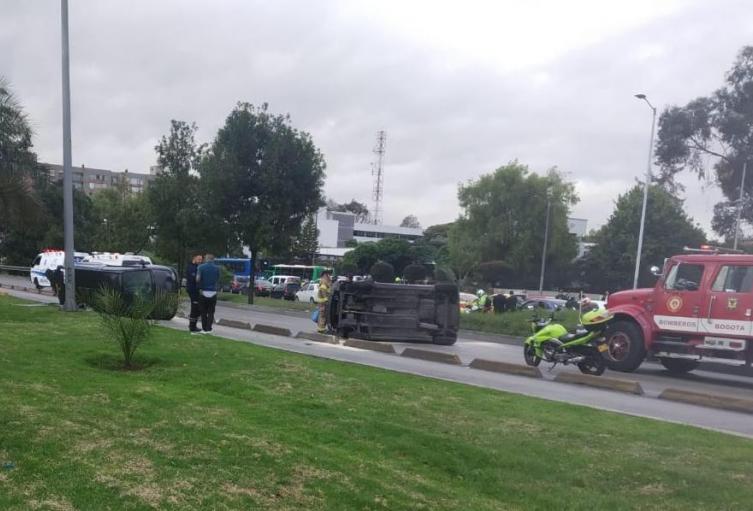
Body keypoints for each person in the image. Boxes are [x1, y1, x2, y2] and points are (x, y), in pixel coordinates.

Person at [196, 253, 220, 334]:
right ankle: (209, 328)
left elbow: (197, 279)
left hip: (203, 292)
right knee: (211, 312)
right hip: (213, 292)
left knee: (203, 312)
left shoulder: (201, 267)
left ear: (206, 259)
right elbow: (217, 279)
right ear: (213, 259)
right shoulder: (217, 268)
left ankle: (204, 328)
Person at [186, 254, 203, 333]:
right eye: (199, 259)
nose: (200, 261)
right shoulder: (191, 267)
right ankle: (192, 327)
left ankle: (192, 325)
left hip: (196, 290)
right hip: (193, 290)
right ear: (194, 258)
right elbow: (194, 279)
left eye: (201, 259)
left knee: (198, 308)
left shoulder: (198, 267)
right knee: (195, 308)